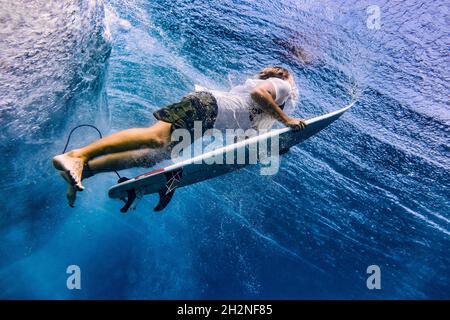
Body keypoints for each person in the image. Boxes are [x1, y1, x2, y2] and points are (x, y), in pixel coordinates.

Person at [53, 66, 306, 206]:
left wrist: (274, 145)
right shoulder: (282, 86)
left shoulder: (262, 119)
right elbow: (259, 94)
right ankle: (78, 155)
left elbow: (245, 142)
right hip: (206, 106)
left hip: (206, 120)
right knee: (156, 138)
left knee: (151, 157)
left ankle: (85, 169)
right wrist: (288, 120)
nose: (294, 95)